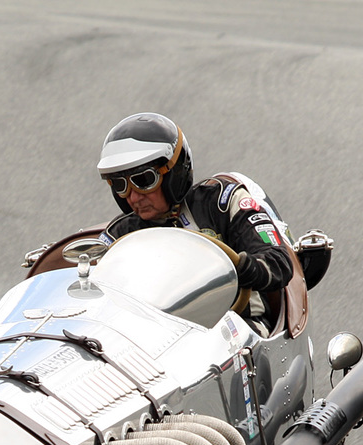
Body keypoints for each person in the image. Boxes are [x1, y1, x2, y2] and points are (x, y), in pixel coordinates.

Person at [96, 112, 294, 319]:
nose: (134, 197)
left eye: (144, 180)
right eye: (120, 185)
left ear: (174, 172)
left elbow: (279, 262)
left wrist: (237, 268)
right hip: (156, 337)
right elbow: (88, 289)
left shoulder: (223, 202)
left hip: (237, 328)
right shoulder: (118, 235)